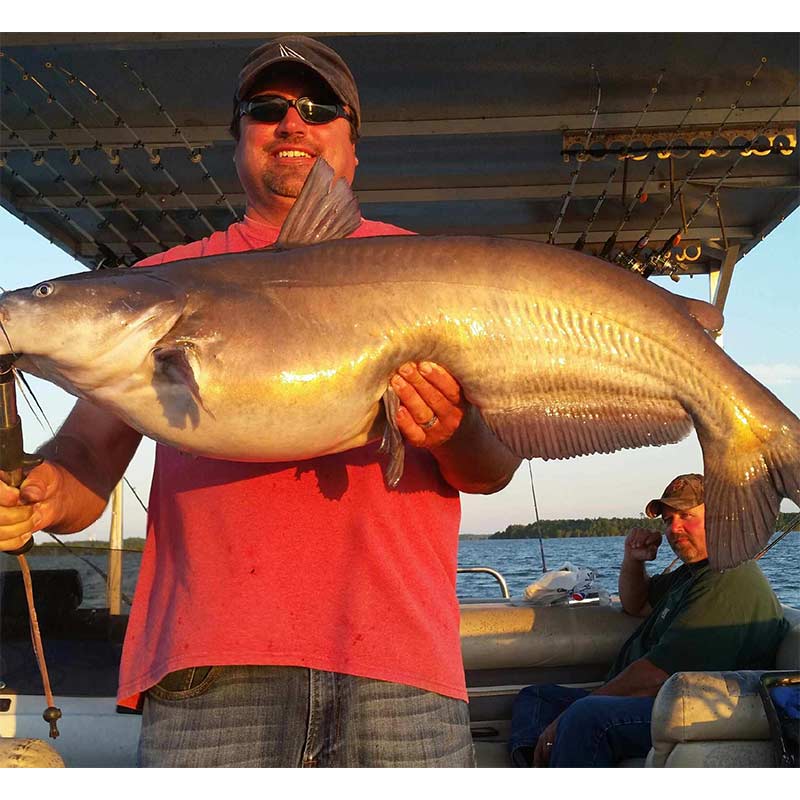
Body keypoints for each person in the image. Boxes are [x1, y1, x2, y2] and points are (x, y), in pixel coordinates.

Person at [0, 36, 521, 767]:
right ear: (238, 141)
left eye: (319, 108)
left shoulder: (435, 275)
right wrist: (38, 495)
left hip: (399, 663)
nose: (292, 123)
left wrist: (451, 429)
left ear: (352, 144)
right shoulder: (163, 283)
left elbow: (492, 467)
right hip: (211, 666)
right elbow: (86, 456)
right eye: (266, 109)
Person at [509, 472, 789, 768]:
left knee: (584, 718)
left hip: (692, 714)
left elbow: (655, 676)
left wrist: (577, 710)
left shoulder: (727, 580)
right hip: (659, 701)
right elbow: (637, 602)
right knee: (537, 698)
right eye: (668, 520)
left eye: (685, 516)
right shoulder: (694, 572)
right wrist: (634, 559)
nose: (674, 529)